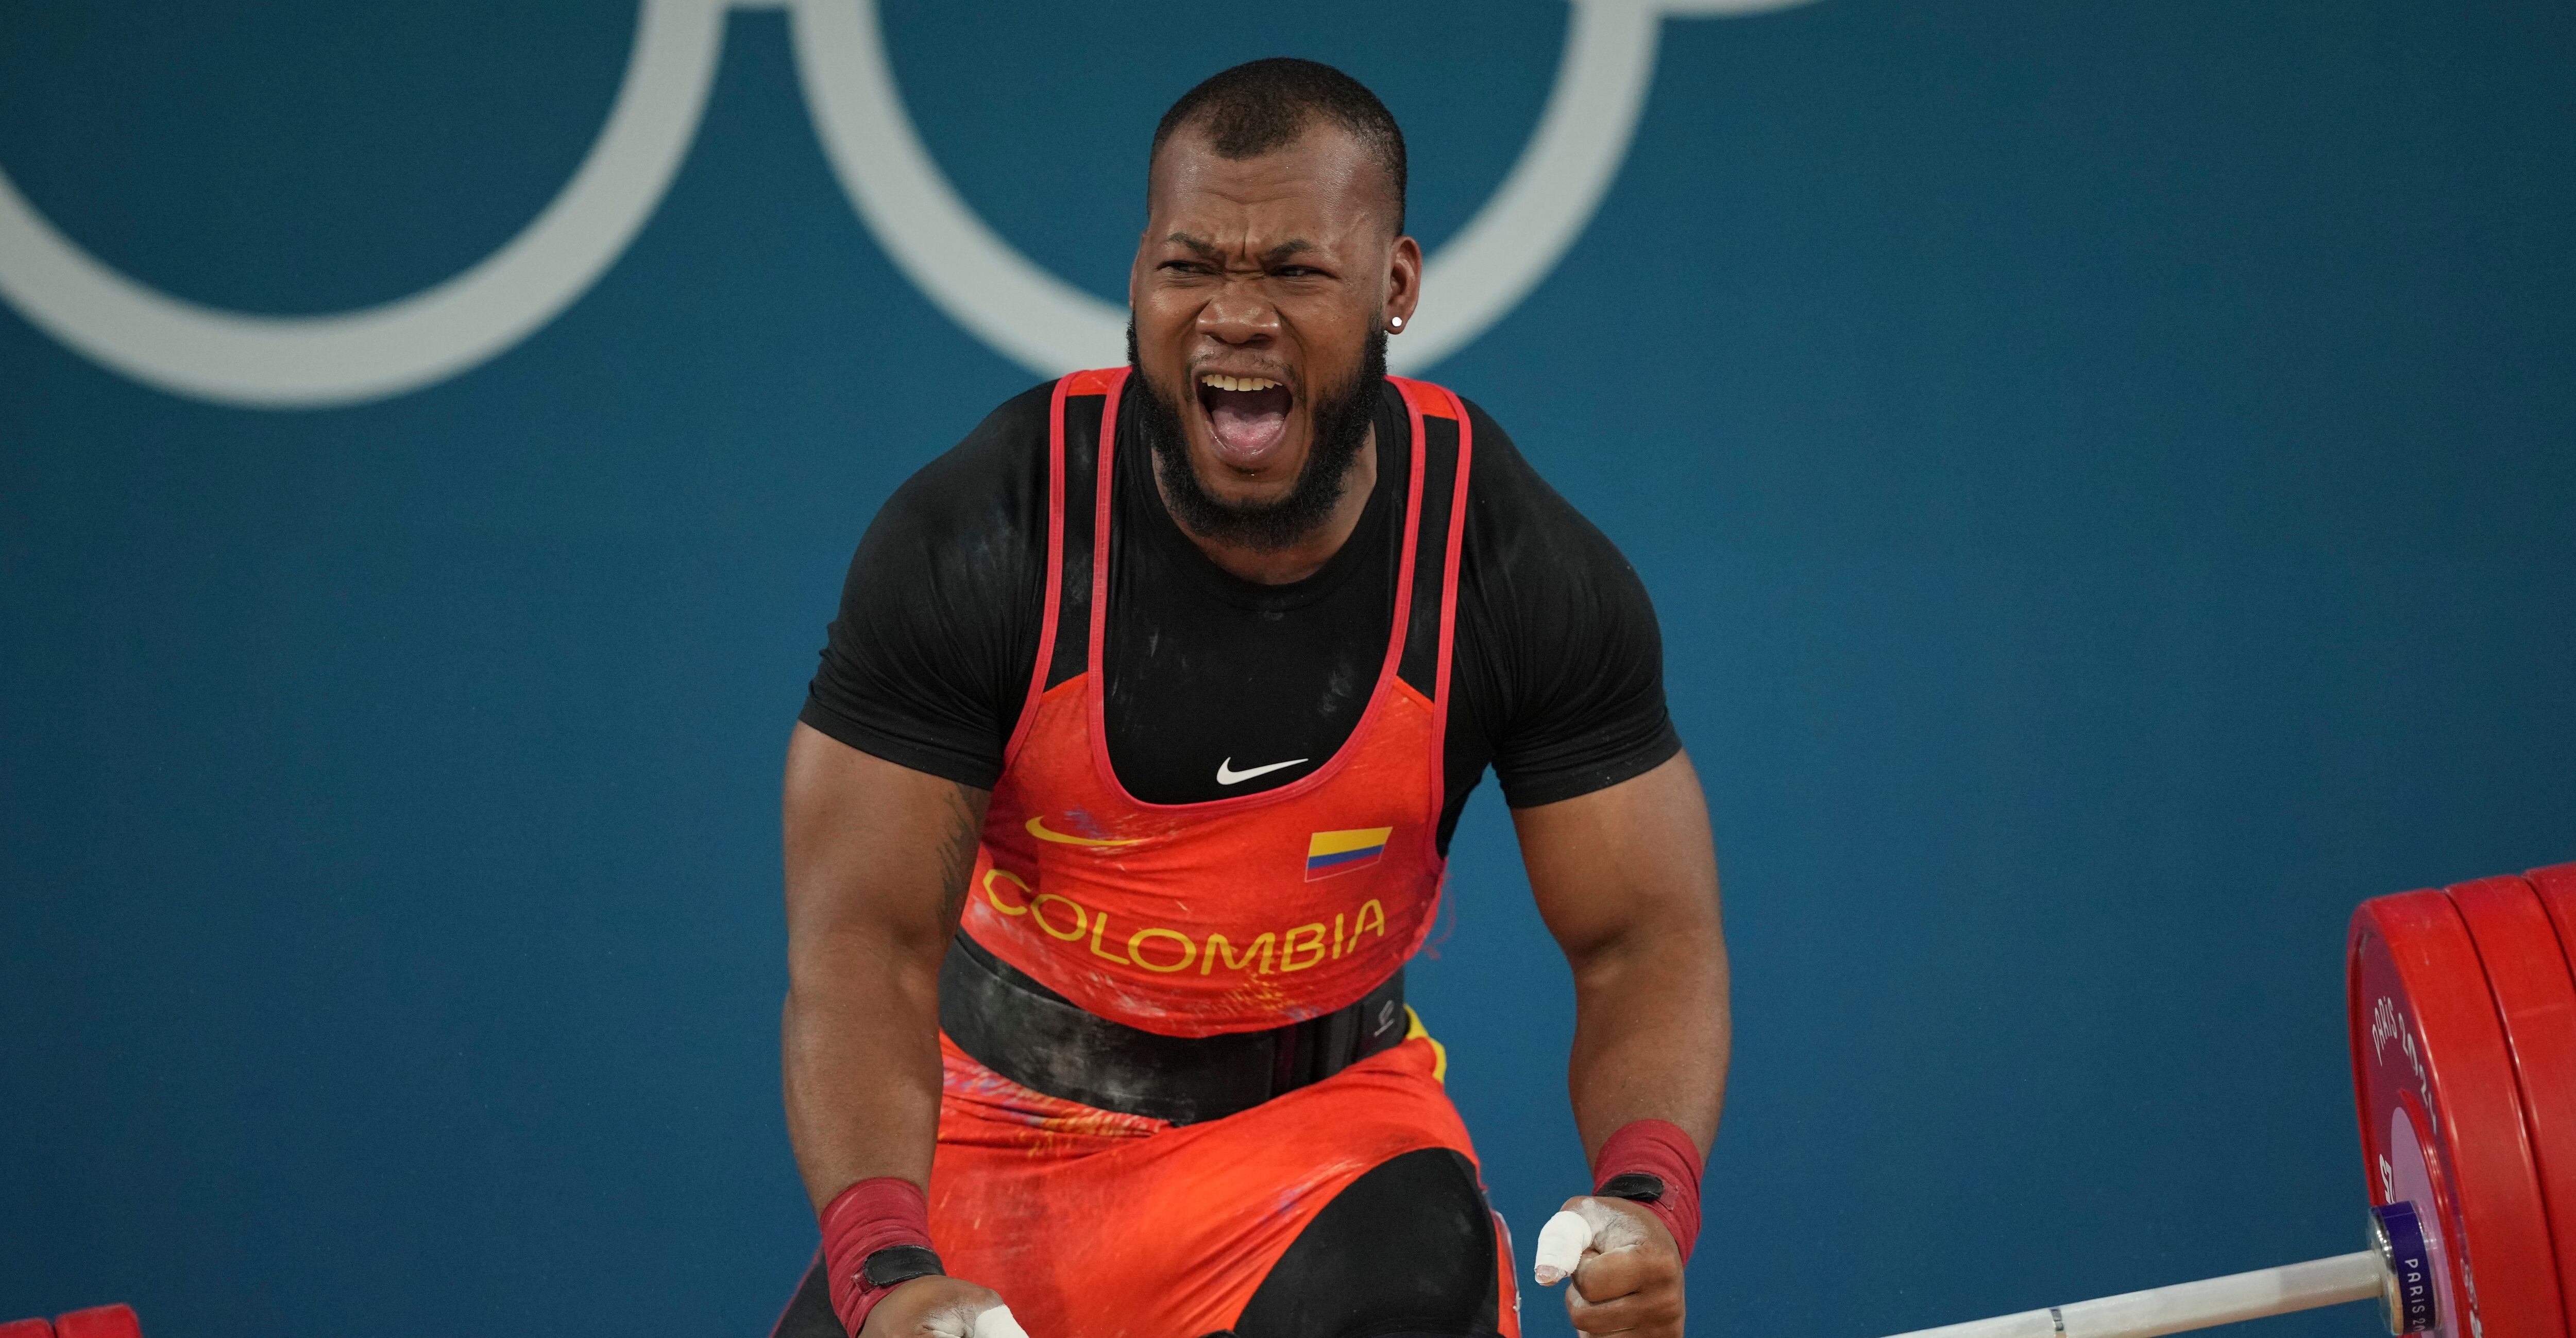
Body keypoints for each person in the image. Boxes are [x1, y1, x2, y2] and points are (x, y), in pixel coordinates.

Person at [774, 57, 1728, 1338]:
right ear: (1137, 277)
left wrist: (1647, 1197)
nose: (1233, 316)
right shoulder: (983, 538)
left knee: (1423, 1277)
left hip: (1322, 1157)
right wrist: (884, 1270)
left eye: (1292, 271)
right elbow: (862, 953)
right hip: (992, 1146)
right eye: (1188, 267)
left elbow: (1643, 940)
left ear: (1394, 287)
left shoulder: (1506, 563)